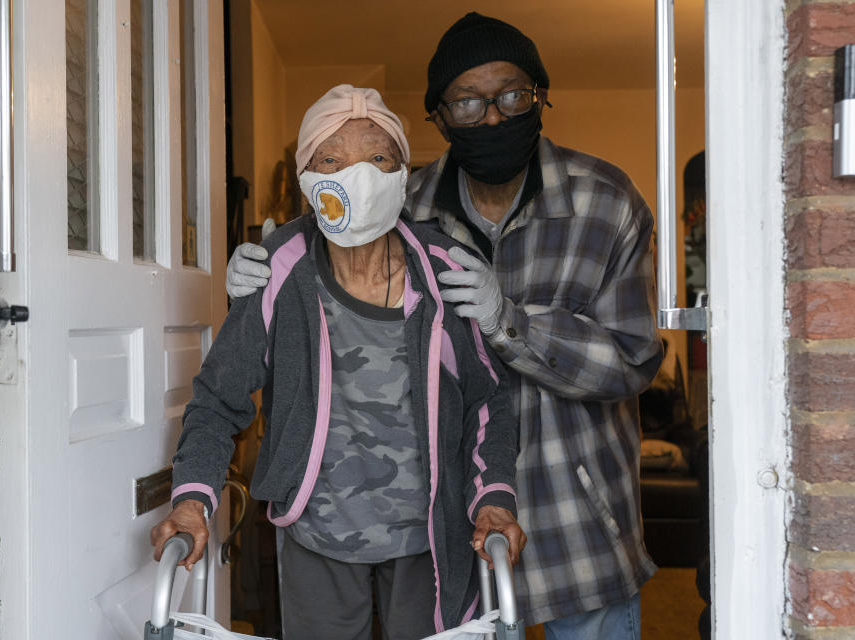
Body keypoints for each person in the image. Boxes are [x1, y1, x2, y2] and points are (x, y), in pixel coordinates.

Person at [225, 13, 663, 640]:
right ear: (438, 115)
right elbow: (323, 240)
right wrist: (257, 272)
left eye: (511, 95)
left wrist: (508, 322)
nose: (490, 116)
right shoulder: (402, 204)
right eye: (466, 101)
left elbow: (633, 359)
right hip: (449, 534)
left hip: (578, 520)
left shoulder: (606, 201)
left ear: (540, 95)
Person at [152, 84, 525, 640]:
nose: (359, 176)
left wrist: (493, 496)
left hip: (431, 535)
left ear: (403, 173)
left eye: (379, 158)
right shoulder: (279, 269)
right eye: (332, 160)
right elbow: (218, 398)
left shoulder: (445, 269)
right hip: (316, 534)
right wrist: (192, 501)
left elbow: (488, 398)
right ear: (306, 178)